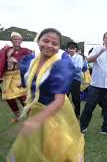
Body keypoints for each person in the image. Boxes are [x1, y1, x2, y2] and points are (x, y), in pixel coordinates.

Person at [7, 28, 84, 162]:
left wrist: (36, 121)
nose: (49, 45)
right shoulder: (30, 60)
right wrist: (22, 84)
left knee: (57, 149)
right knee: (35, 147)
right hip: (37, 108)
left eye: (55, 43)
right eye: (46, 41)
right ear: (38, 41)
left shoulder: (61, 64)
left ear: (59, 47)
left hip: (56, 110)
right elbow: (29, 80)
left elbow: (59, 100)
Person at [80, 31, 107, 135]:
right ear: (103, 39)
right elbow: (89, 60)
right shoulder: (97, 49)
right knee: (89, 107)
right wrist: (100, 52)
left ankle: (105, 128)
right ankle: (82, 128)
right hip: (96, 85)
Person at [0, 32, 32, 123]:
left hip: (18, 75)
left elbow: (32, 59)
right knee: (9, 98)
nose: (17, 41)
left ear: (21, 40)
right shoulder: (6, 50)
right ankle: (17, 116)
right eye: (15, 39)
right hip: (8, 76)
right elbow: (2, 60)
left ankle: (29, 114)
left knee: (22, 96)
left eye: (18, 39)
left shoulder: (26, 50)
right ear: (11, 40)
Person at [67, 41, 84, 118]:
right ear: (67, 49)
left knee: (75, 98)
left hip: (75, 79)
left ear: (76, 49)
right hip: (66, 79)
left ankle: (77, 113)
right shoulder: (66, 57)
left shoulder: (79, 57)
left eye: (73, 49)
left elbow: (79, 68)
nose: (71, 50)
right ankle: (64, 113)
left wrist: (68, 68)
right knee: (64, 97)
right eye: (70, 48)